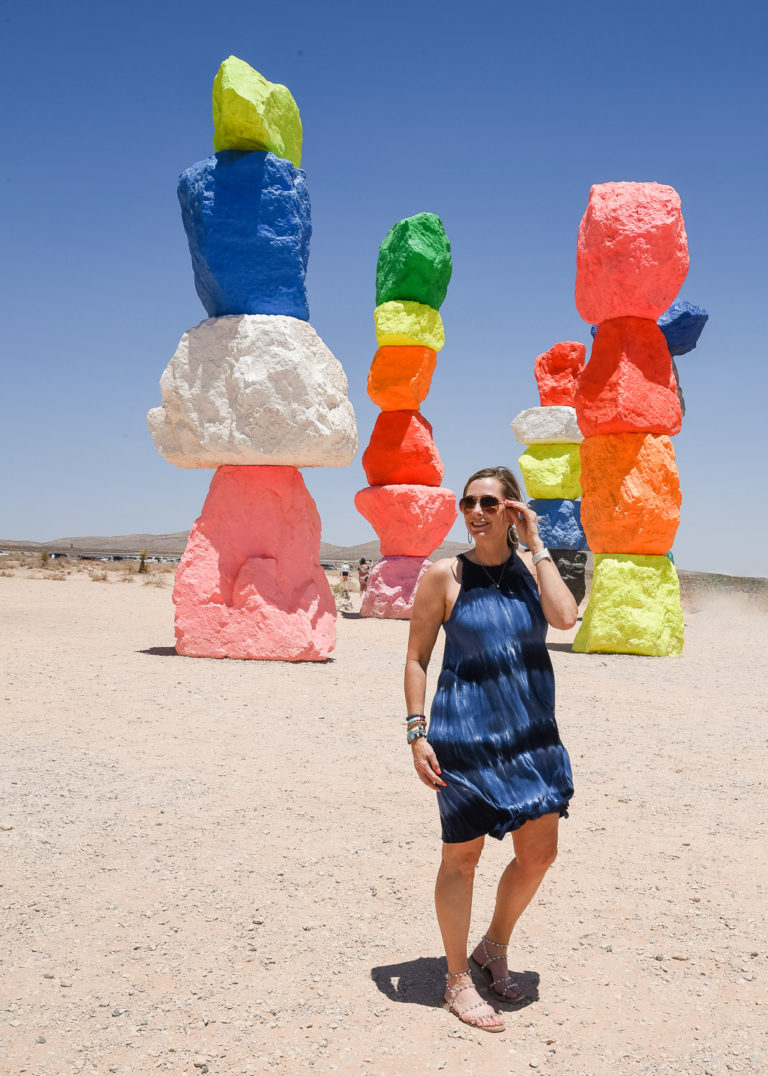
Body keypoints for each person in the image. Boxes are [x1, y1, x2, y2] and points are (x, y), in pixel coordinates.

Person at [404, 466, 577, 1033]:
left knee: (539, 854)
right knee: (463, 857)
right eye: (468, 502)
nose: (475, 511)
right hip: (465, 739)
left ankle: (493, 947)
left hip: (532, 737)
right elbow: (417, 658)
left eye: (489, 502)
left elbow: (565, 617)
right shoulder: (444, 576)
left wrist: (539, 545)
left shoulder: (533, 570)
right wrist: (416, 730)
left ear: (511, 510)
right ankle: (457, 978)